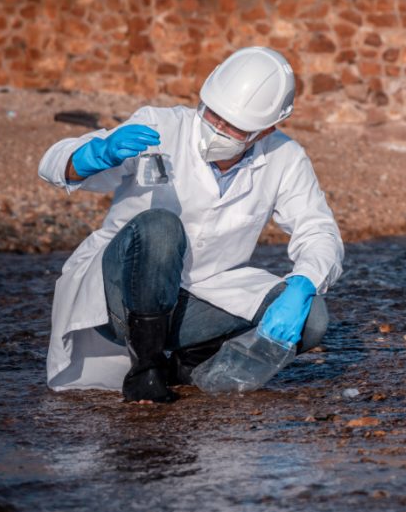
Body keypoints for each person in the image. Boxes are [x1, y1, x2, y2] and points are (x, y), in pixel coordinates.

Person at [38, 47, 344, 403]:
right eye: (213, 115)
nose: (217, 129)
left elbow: (318, 230)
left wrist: (304, 283)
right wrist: (96, 153)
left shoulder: (285, 158)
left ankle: (191, 370)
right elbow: (52, 167)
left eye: (233, 127)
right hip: (118, 298)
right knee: (160, 227)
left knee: (313, 318)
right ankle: (146, 371)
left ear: (266, 130)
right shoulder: (160, 126)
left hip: (199, 298)